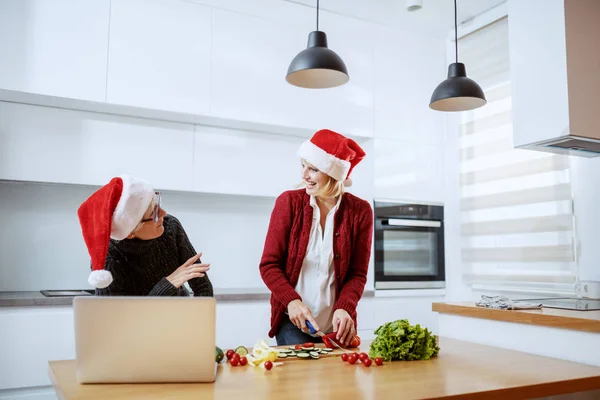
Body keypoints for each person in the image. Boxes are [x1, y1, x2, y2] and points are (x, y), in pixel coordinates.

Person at [259, 129, 373, 346]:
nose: (304, 176)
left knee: (340, 380)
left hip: (338, 329)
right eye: (303, 166)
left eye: (313, 169)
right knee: (298, 379)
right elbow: (269, 265)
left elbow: (357, 274)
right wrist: (291, 301)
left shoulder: (360, 212)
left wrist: (344, 307)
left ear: (332, 174)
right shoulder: (288, 203)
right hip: (293, 323)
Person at [77, 175, 213, 297]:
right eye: (153, 214)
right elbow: (115, 321)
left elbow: (203, 287)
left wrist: (199, 320)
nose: (163, 213)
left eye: (157, 204)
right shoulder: (110, 261)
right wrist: (167, 285)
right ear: (130, 232)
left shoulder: (170, 226)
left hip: (180, 318)